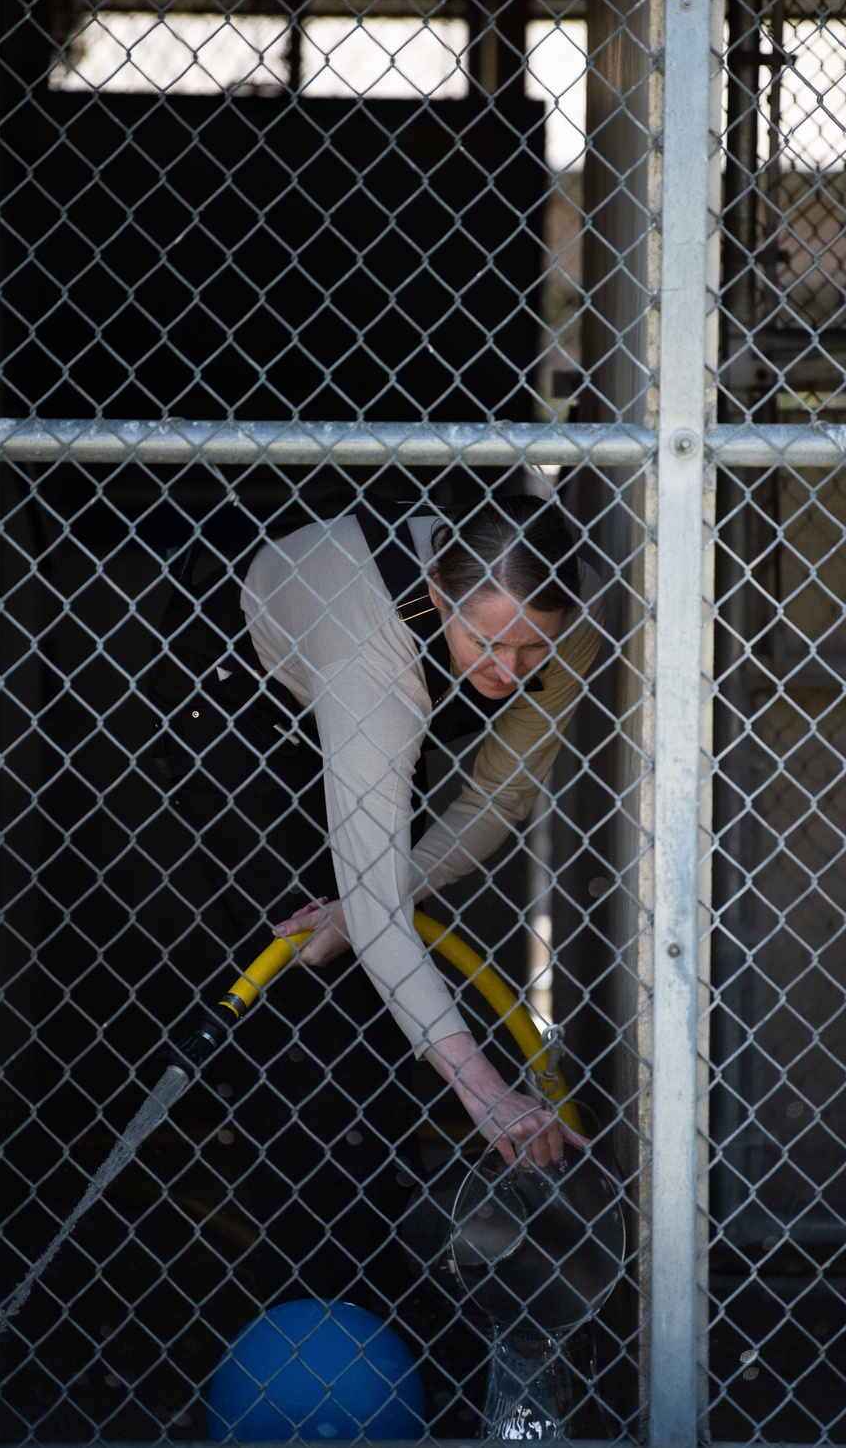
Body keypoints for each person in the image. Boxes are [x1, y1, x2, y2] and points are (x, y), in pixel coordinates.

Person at [147, 491, 602, 1303]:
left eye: (534, 649)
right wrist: (491, 1099)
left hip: (370, 689)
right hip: (238, 701)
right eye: (488, 643)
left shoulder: (565, 634)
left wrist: (364, 900)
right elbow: (382, 910)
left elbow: (498, 798)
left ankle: (384, 1286)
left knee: (374, 982)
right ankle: (311, 1307)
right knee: (310, 1005)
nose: (509, 671)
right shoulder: (377, 654)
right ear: (436, 595)